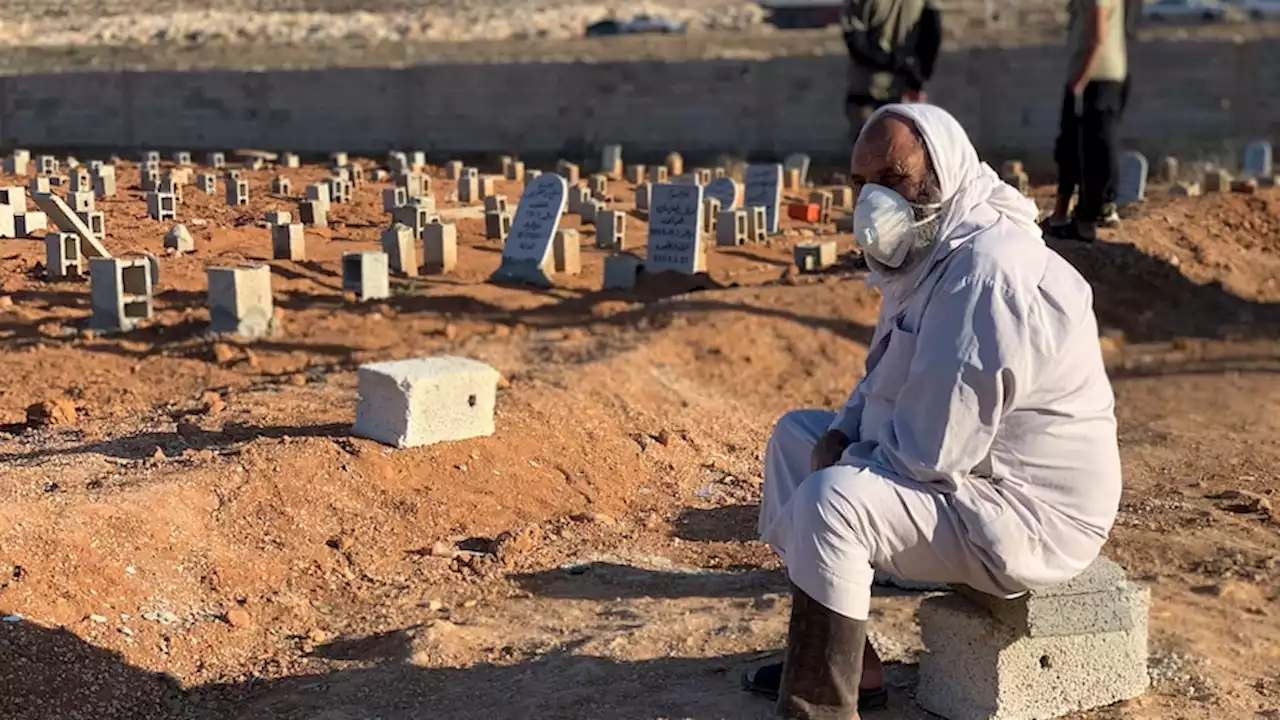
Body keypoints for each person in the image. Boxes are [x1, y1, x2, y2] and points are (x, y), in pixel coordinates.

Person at [742, 104, 1123, 719]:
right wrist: (840, 433)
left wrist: (845, 463)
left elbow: (930, 451)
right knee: (798, 439)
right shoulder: (932, 257)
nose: (871, 201)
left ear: (941, 174)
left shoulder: (988, 273)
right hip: (968, 479)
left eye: (892, 179)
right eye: (861, 184)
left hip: (1026, 513)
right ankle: (851, 664)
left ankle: (820, 707)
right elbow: (882, 381)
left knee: (831, 501)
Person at [1043, 0, 1129, 241]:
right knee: (1079, 144)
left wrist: (1079, 81)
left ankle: (1087, 219)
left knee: (1089, 149)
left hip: (1095, 78)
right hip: (1101, 76)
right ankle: (1071, 215)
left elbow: (1097, 38)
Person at [840, 0, 943, 145]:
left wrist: (893, 62)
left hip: (868, 88)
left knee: (868, 156)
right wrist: (919, 75)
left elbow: (856, 43)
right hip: (905, 88)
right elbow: (933, 32)